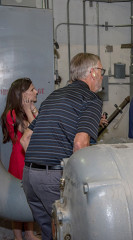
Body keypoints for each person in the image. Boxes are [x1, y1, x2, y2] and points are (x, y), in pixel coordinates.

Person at [20, 53, 104, 240]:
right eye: (101, 70)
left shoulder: (54, 95)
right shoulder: (91, 99)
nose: (102, 76)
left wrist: (39, 169)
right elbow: (80, 144)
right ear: (92, 72)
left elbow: (25, 139)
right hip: (53, 178)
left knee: (50, 233)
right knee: (70, 231)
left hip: (29, 176)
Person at [1, 78, 39, 240]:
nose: (36, 91)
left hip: (30, 158)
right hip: (20, 160)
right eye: (32, 89)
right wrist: (30, 111)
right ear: (23, 94)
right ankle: (18, 237)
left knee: (29, 197)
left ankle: (29, 233)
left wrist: (31, 110)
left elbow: (41, 130)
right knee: (18, 198)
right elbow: (33, 129)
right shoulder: (11, 114)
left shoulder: (27, 111)